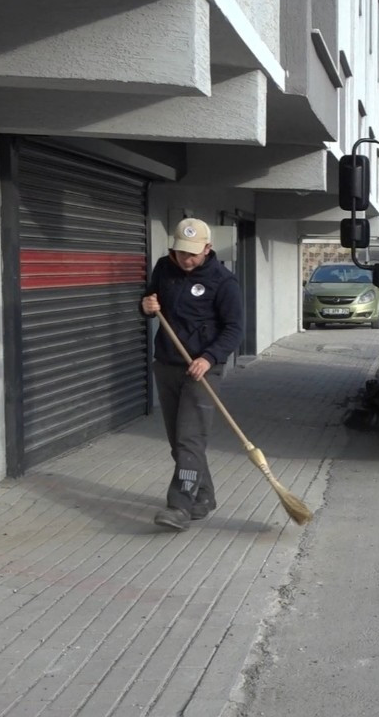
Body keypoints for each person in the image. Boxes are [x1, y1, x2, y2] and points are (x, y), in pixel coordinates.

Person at [141, 218, 244, 530]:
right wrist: (145, 305)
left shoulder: (223, 281)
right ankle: (204, 496)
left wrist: (209, 358)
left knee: (189, 438)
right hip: (168, 363)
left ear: (208, 249)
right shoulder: (164, 268)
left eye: (193, 254)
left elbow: (235, 329)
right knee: (180, 441)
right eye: (180, 252)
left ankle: (180, 506)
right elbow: (150, 300)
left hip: (202, 370)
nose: (186, 259)